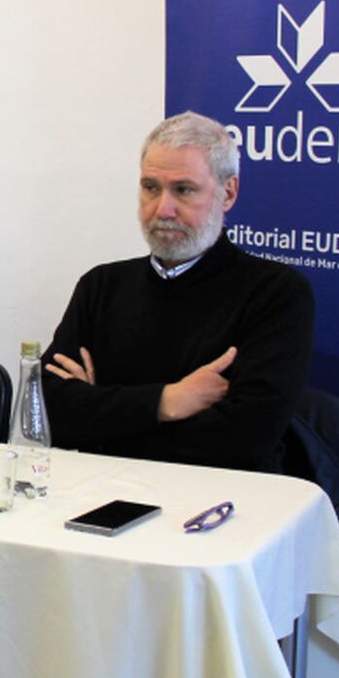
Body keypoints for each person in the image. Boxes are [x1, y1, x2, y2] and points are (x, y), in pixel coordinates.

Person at [41, 111, 315, 472]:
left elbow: (245, 440)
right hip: (102, 492)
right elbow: (50, 413)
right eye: (150, 187)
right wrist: (167, 401)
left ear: (228, 193)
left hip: (227, 506)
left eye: (184, 190)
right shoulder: (101, 286)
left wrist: (102, 420)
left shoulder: (275, 294)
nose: (163, 209)